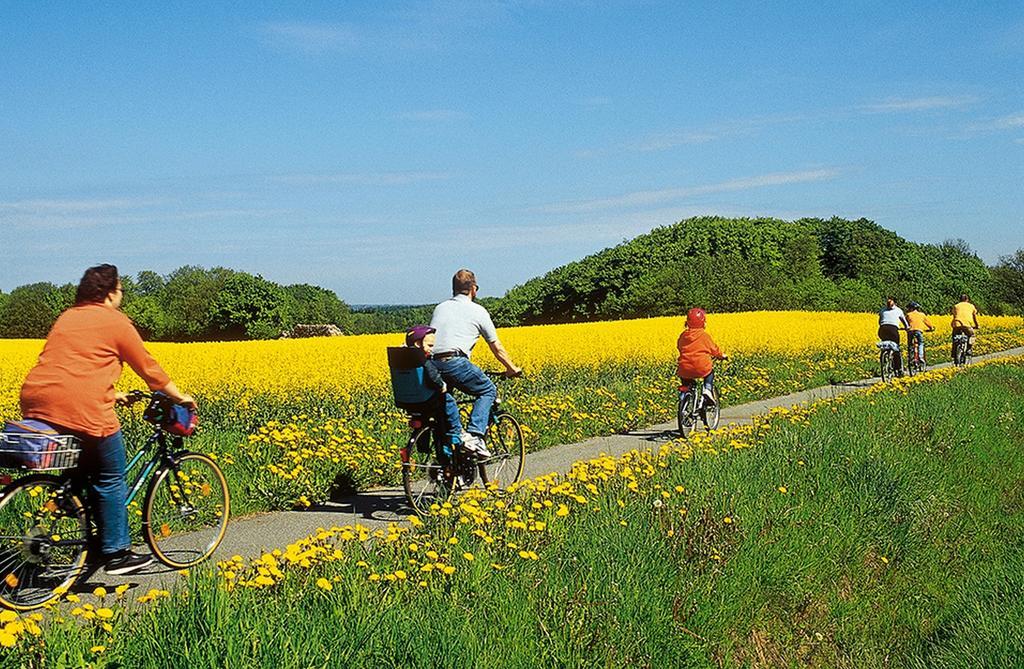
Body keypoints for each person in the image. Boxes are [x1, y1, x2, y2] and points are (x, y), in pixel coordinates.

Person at [18, 264, 196, 576]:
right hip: (82, 408)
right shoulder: (115, 321)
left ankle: (80, 518)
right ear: (110, 292)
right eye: (121, 290)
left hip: (36, 399)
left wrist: (113, 394)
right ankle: (117, 553)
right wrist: (179, 396)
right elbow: (148, 368)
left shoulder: (66, 317)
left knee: (84, 467)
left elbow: (69, 367)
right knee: (111, 475)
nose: (121, 296)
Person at [429, 269, 521, 458]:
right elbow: (496, 347)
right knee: (487, 390)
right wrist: (511, 368)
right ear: (473, 289)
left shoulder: (440, 307)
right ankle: (475, 436)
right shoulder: (478, 311)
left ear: (454, 289)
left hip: (432, 365)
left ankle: (451, 466)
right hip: (455, 362)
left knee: (446, 400)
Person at [403, 325, 462, 466]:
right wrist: (442, 385)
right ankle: (456, 433)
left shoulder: (403, 357)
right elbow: (432, 376)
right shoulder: (423, 359)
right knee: (450, 402)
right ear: (418, 344)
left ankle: (422, 445)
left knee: (425, 420)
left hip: (411, 401)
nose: (431, 349)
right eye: (429, 345)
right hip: (429, 399)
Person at [676, 308, 726, 407]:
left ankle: (684, 401)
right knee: (710, 372)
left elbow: (679, 347)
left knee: (687, 383)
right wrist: (721, 355)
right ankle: (707, 389)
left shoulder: (683, 335)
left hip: (684, 368)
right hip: (701, 368)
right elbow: (714, 350)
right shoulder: (704, 335)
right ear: (703, 322)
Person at [878, 296, 909, 375]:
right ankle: (898, 369)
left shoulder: (882, 310)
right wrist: (907, 327)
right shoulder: (899, 310)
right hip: (893, 330)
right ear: (895, 303)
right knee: (896, 349)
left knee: (884, 344)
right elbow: (904, 322)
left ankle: (884, 358)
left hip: (882, 329)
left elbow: (880, 321)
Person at [905, 302, 935, 366]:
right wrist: (931, 328)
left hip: (910, 331)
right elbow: (928, 323)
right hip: (918, 331)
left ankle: (911, 358)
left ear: (911, 308)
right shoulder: (922, 315)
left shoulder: (908, 315)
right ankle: (921, 357)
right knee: (921, 343)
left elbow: (906, 324)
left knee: (910, 345)